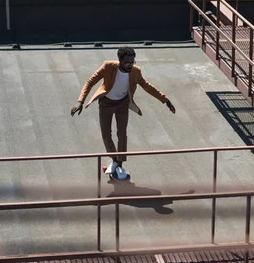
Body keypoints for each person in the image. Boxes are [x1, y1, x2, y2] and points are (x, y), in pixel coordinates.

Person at [71, 46, 176, 179]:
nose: (130, 65)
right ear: (119, 60)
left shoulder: (135, 71)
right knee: (106, 135)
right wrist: (80, 100)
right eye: (127, 62)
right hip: (106, 104)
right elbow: (90, 81)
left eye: (132, 62)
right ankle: (115, 160)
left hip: (122, 104)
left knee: (122, 135)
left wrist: (165, 99)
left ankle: (119, 164)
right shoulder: (108, 66)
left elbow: (147, 86)